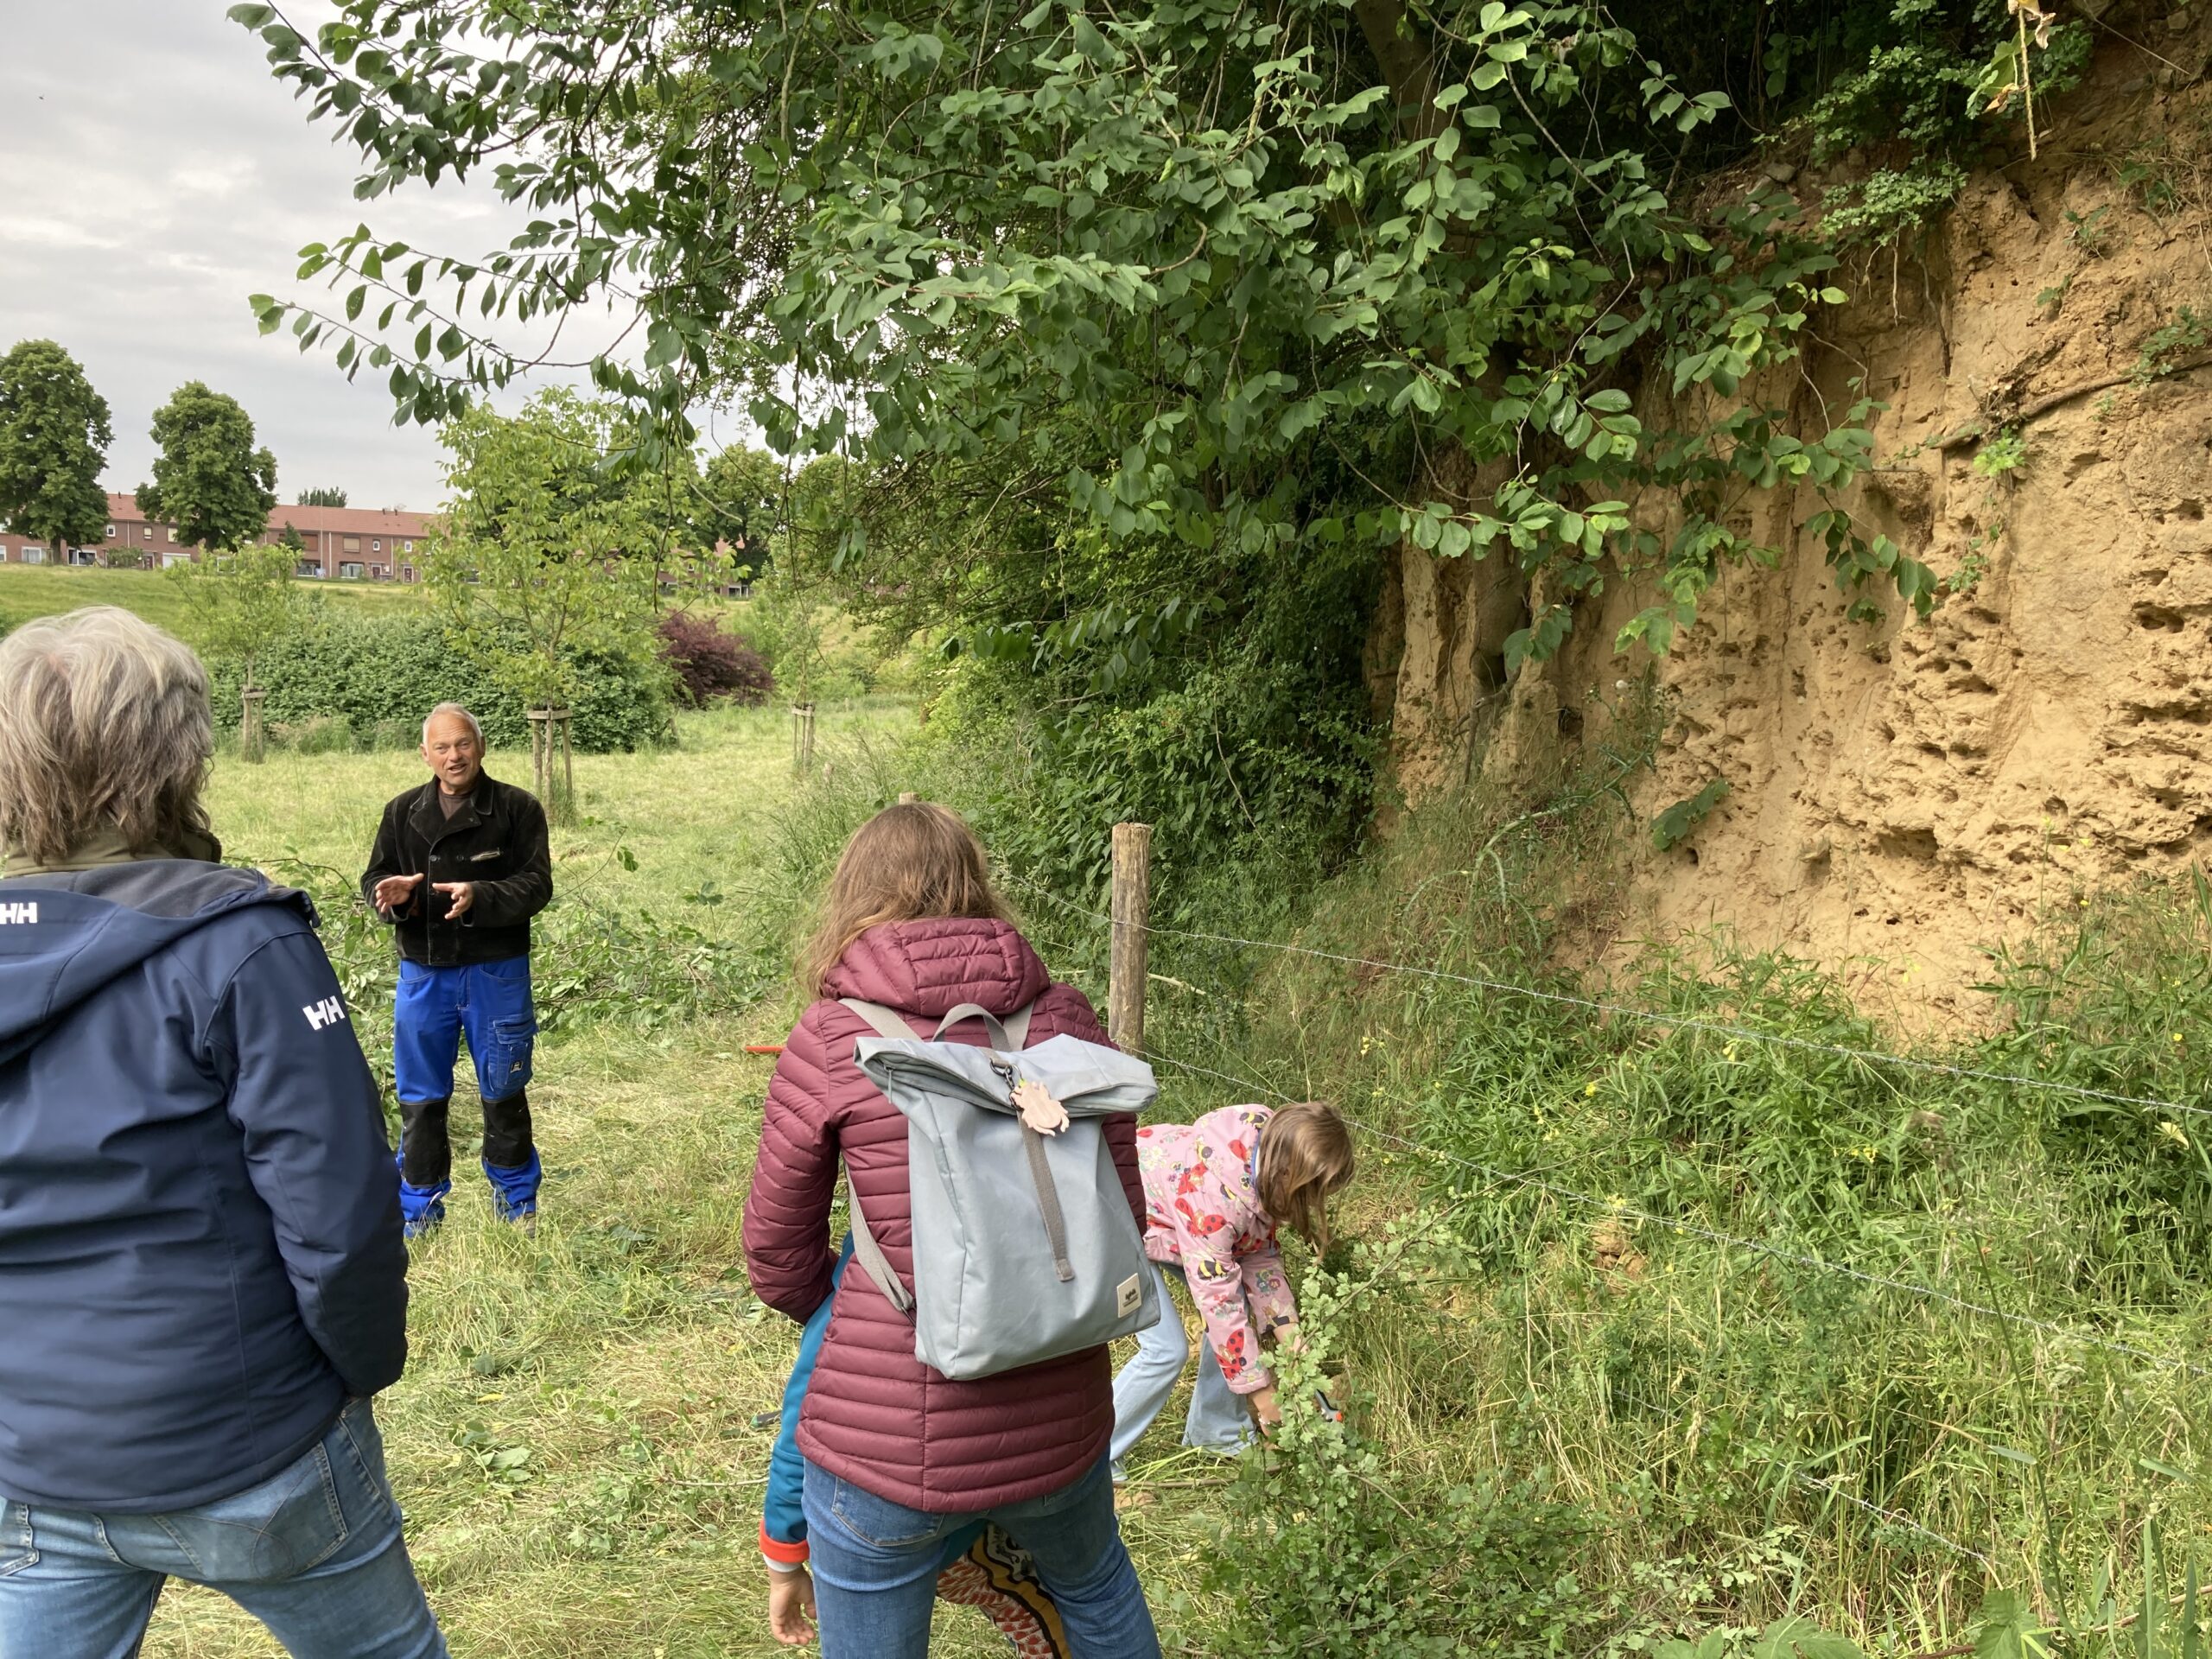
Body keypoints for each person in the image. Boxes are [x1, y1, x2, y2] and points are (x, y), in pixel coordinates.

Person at [0, 607, 445, 1658]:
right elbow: (341, 1216)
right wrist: (360, 1374)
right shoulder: (241, 947)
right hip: (249, 1441)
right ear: (177, 754)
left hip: (38, 1459)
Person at [742, 802, 1162, 1658]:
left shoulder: (831, 1037)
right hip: (1060, 1422)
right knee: (1095, 1589)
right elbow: (1126, 1215)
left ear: (856, 894)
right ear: (977, 885)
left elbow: (776, 1255)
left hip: (885, 1446)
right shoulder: (1066, 1018)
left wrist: (862, 1306)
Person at [760, 1240, 1071, 1655]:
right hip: (985, 1505)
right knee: (1041, 1610)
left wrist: (783, 1555)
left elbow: (803, 1426)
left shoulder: (865, 1273)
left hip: (882, 1512)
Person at [361, 703, 553, 1236]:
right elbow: (375, 878)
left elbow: (537, 884)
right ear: (425, 754)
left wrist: (480, 895)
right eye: (442, 747)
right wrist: (394, 896)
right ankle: (419, 1210)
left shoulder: (517, 808)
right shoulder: (401, 812)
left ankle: (517, 1204)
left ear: (481, 747)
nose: (454, 756)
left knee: (504, 1088)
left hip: (496, 971)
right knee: (420, 1096)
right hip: (424, 974)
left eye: (463, 744)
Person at [1109, 1102, 1356, 1478]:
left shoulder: (1267, 1157)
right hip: (1118, 1218)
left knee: (1240, 1313)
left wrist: (1292, 1340)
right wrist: (1264, 1398)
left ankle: (1217, 1432)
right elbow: (1219, 1303)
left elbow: (1258, 1254)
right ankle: (1096, 1456)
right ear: (1288, 1174)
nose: (1309, 1206)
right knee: (1167, 1350)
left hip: (1175, 1226)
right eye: (1308, 1195)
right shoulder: (1213, 1196)